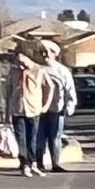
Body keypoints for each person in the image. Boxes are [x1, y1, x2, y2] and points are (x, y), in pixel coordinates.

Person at [10, 47, 70, 178]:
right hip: (17, 109)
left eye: (22, 60)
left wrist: (46, 105)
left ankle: (33, 164)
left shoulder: (39, 70)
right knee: (21, 139)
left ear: (27, 57)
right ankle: (24, 164)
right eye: (17, 61)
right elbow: (7, 90)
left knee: (33, 138)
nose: (20, 64)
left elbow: (51, 87)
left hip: (34, 109)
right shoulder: (14, 71)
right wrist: (6, 110)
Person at [38, 40, 77, 173]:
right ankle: (38, 163)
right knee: (39, 137)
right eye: (42, 51)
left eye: (48, 51)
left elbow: (70, 89)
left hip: (57, 109)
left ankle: (56, 163)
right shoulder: (37, 68)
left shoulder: (62, 71)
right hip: (38, 109)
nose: (45, 54)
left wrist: (70, 104)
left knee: (55, 137)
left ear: (54, 53)